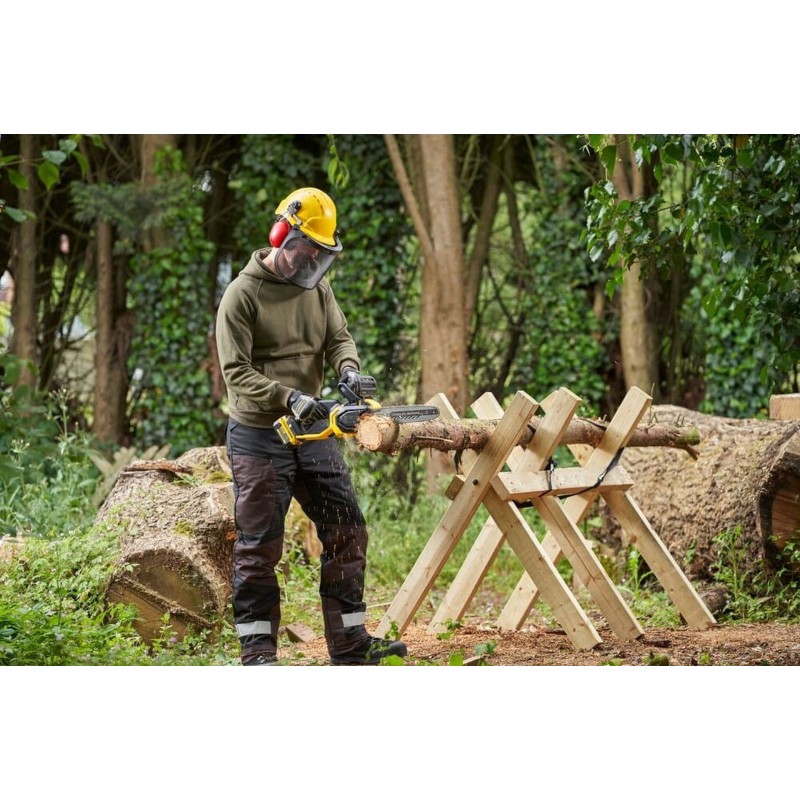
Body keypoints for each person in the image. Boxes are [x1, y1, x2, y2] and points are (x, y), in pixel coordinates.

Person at [214, 186, 408, 666]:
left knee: (347, 529)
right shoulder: (242, 295)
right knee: (260, 546)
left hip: (312, 430)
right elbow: (236, 372)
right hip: (260, 434)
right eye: (306, 248)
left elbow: (339, 337)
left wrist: (348, 370)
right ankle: (258, 651)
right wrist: (290, 397)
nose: (312, 259)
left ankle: (349, 643)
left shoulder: (317, 288)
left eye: (320, 252)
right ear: (282, 234)